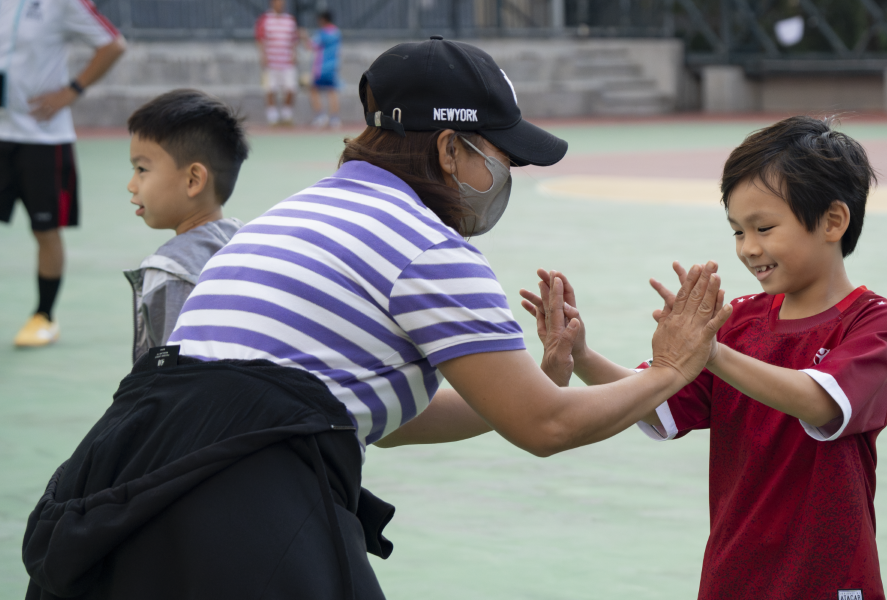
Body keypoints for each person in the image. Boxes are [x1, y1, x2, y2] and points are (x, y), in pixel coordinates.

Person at [19, 38, 732, 598]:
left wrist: (530, 382)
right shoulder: (429, 248)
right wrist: (672, 369)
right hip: (237, 498)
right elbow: (544, 429)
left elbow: (381, 421)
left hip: (116, 481)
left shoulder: (293, 214)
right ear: (450, 148)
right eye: (500, 153)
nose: (506, 174)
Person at [521, 116, 887, 600]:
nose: (748, 249)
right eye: (736, 232)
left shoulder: (873, 321)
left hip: (829, 579)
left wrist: (709, 352)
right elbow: (654, 397)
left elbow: (820, 402)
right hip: (734, 575)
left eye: (763, 227)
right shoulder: (738, 321)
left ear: (833, 221)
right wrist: (581, 354)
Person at [1, 0, 125, 347]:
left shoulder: (63, 3)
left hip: (42, 136)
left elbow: (113, 44)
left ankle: (44, 316)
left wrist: (72, 90)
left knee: (45, 229)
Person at [122, 90, 249, 363]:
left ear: (193, 180)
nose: (131, 185)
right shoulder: (246, 241)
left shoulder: (171, 271)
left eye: (142, 169)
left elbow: (173, 380)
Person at [255, 0, 299, 126]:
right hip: (271, 62)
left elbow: (294, 39)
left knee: (291, 88)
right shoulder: (265, 19)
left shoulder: (290, 20)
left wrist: (294, 54)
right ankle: (273, 118)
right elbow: (260, 39)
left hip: (287, 63)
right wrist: (262, 55)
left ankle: (287, 116)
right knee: (270, 89)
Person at [307, 10, 341, 128]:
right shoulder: (336, 32)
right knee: (332, 91)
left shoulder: (321, 33)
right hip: (333, 67)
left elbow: (310, 45)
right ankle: (335, 119)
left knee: (313, 89)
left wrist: (303, 36)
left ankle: (320, 116)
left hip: (321, 68)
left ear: (322, 20)